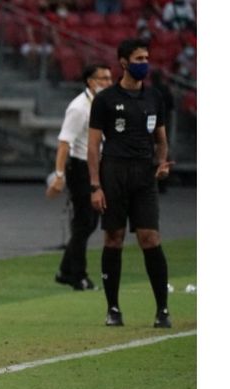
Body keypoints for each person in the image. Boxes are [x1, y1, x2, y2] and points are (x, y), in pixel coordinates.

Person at [87, 38, 173, 328]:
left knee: (150, 238)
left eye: (146, 58)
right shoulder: (106, 100)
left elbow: (160, 138)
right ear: (123, 62)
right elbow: (93, 145)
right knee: (114, 238)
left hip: (143, 175)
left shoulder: (154, 98)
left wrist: (161, 163)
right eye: (138, 59)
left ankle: (162, 310)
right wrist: (96, 186)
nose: (144, 63)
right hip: (114, 173)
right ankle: (113, 309)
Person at [49, 64, 112, 291]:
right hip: (81, 168)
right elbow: (65, 142)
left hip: (96, 166)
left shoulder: (103, 104)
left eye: (109, 78)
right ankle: (77, 274)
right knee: (85, 222)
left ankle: (67, 271)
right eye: (102, 78)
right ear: (90, 81)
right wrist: (59, 175)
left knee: (87, 223)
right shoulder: (78, 108)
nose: (107, 82)